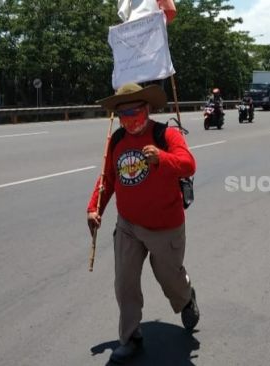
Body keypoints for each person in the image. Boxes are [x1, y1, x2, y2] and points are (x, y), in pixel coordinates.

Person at [87, 83, 199, 364]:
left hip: (165, 225)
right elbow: (108, 179)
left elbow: (188, 164)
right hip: (128, 225)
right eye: (124, 114)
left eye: (136, 112)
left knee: (169, 278)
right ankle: (130, 337)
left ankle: (186, 297)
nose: (131, 120)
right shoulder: (117, 140)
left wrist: (162, 158)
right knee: (124, 282)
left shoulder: (165, 134)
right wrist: (94, 209)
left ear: (147, 110)